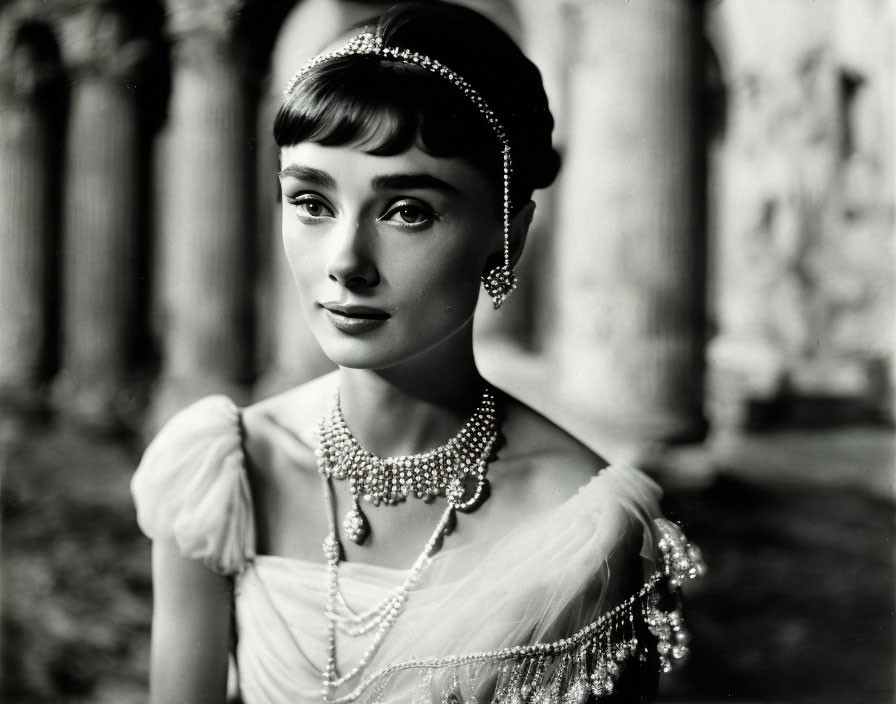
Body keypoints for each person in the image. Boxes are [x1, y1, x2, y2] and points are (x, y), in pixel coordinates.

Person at [131, 3, 705, 703]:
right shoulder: (226, 469)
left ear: (508, 235)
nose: (346, 262)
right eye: (311, 201)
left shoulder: (581, 526)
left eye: (408, 211)